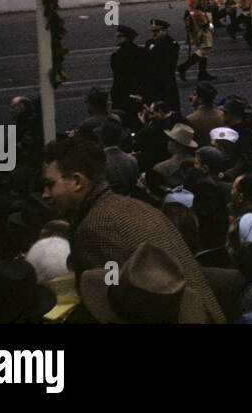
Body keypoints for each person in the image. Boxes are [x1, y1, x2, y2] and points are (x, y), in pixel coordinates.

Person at [41, 137, 225, 322]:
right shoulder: (136, 207)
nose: (45, 194)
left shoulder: (95, 228)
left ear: (77, 181)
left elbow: (108, 307)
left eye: (50, 184)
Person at [144, 18, 180, 113]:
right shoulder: (150, 43)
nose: (154, 34)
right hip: (153, 83)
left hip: (166, 83)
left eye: (156, 31)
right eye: (153, 31)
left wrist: (156, 46)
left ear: (164, 31)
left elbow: (166, 63)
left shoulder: (172, 44)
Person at [109, 25, 146, 115]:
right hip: (138, 92)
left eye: (118, 36)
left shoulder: (117, 56)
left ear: (125, 38)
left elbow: (118, 78)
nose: (116, 38)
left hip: (123, 95)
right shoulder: (142, 52)